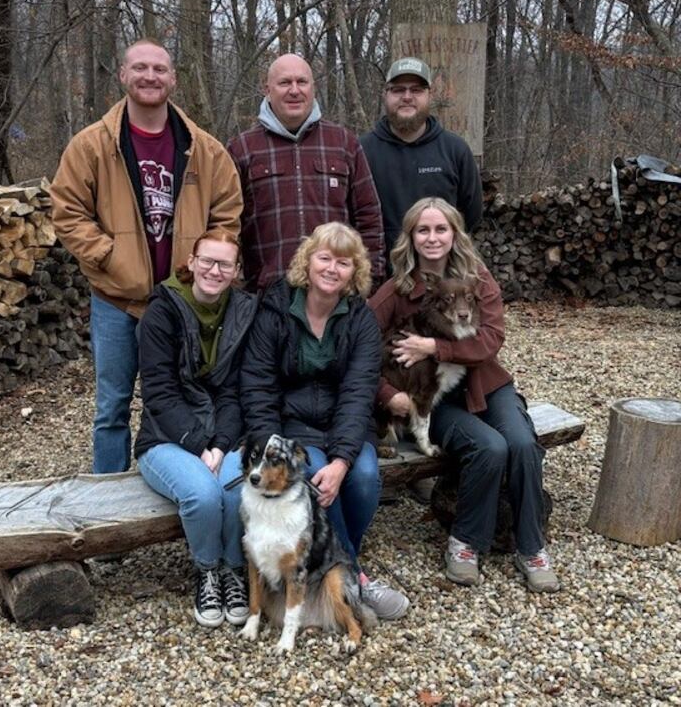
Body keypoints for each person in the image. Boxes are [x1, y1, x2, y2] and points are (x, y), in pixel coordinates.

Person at [50, 38, 242, 474]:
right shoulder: (92, 145)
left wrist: (204, 265)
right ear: (123, 75)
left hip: (182, 303)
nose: (150, 77)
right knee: (112, 408)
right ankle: (109, 511)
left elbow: (228, 213)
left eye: (159, 69)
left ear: (173, 79)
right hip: (118, 300)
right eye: (140, 68)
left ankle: (183, 489)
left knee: (187, 398)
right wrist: (108, 254)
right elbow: (66, 210)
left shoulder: (205, 150)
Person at [368, 197, 559, 593]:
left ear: (455, 234)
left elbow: (491, 339)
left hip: (488, 386)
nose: (433, 238)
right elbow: (359, 348)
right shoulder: (397, 289)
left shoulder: (478, 279)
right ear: (411, 237)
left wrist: (434, 348)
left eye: (441, 229)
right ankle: (465, 543)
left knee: (522, 442)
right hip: (438, 403)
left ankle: (532, 547)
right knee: (489, 448)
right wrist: (388, 395)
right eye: (423, 230)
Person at [240, 222, 410, 619]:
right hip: (291, 426)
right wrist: (272, 448)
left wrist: (343, 459)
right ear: (308, 261)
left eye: (344, 262)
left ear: (356, 271)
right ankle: (355, 577)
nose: (333, 269)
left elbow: (358, 392)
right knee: (314, 476)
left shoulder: (360, 320)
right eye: (325, 258)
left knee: (364, 476)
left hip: (344, 424)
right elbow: (258, 385)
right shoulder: (275, 309)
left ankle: (328, 561)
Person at [134, 229, 258, 628]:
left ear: (237, 270)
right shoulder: (162, 310)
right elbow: (159, 394)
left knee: (238, 488)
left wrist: (221, 445)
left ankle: (232, 571)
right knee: (204, 496)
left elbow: (235, 390)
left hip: (224, 432)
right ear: (191, 261)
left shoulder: (242, 311)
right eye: (207, 260)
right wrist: (201, 444)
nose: (214, 270)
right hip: (165, 437)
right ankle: (207, 570)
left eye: (225, 264)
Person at [227, 54, 385, 292]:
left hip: (335, 297)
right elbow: (228, 225)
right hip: (264, 298)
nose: (294, 90)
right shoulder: (242, 149)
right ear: (267, 89)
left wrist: (370, 282)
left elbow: (368, 216)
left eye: (302, 82)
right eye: (284, 83)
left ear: (313, 88)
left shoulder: (343, 143)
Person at [360, 57, 483, 261]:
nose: (407, 97)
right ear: (385, 94)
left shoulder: (455, 150)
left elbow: (471, 215)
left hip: (440, 273)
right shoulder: (362, 151)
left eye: (416, 90)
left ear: (430, 95)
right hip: (378, 274)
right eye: (398, 89)